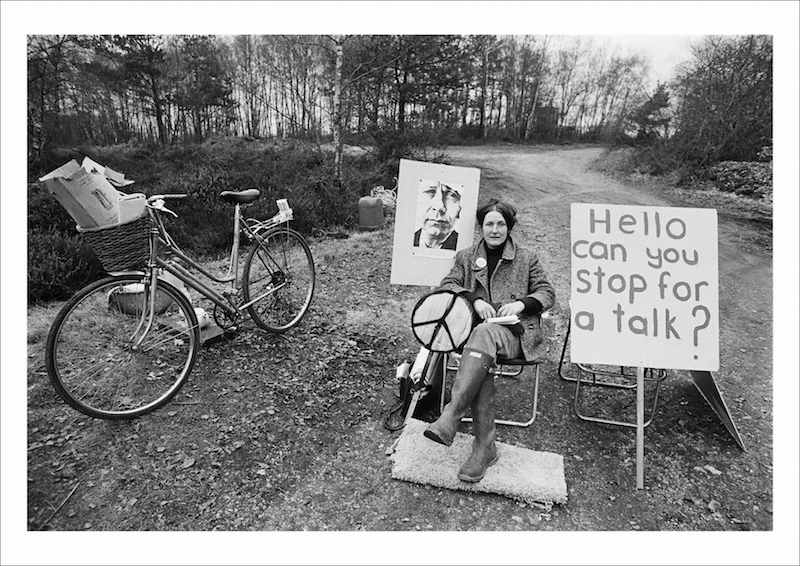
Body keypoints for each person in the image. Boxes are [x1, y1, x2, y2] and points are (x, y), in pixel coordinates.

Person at [423, 199, 555, 482]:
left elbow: (547, 293)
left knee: (482, 337)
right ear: (481, 227)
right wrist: (474, 299)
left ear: (509, 228)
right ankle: (484, 447)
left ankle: (451, 416)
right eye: (489, 224)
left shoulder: (526, 258)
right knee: (481, 347)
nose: (495, 230)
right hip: (477, 338)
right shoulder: (467, 257)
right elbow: (448, 285)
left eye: (500, 224)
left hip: (515, 334)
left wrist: (521, 304)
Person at [413, 181, 461, 250]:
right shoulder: (405, 241)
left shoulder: (463, 248)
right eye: (430, 192)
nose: (439, 207)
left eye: (451, 195)